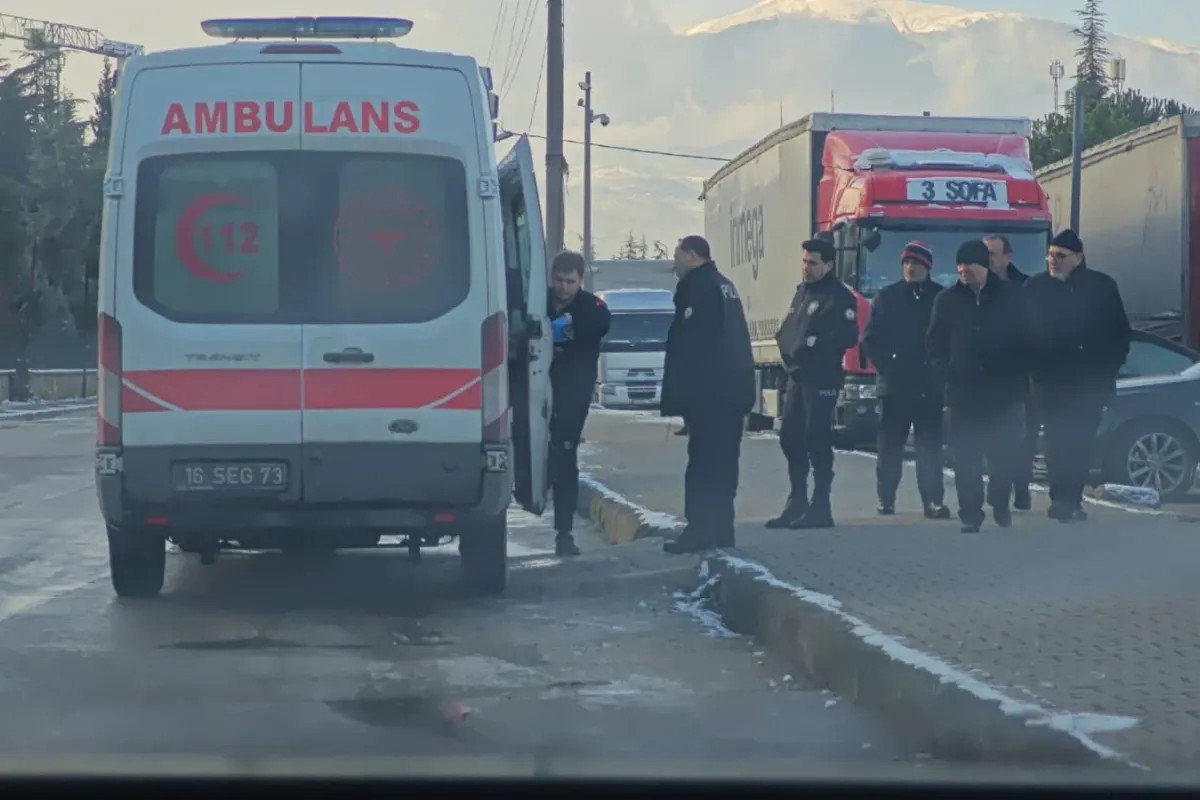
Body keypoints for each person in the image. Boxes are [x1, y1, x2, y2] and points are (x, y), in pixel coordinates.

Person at [1024, 229, 1131, 523]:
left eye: (1060, 256)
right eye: (1050, 255)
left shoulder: (1101, 287)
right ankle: (1060, 499)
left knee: (1081, 441)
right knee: (1056, 442)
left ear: (1078, 258)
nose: (1053, 261)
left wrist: (1107, 368)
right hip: (1049, 382)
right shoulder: (1034, 288)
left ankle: (1072, 499)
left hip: (1089, 383)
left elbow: (1120, 334)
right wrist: (1033, 369)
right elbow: (1021, 333)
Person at [660, 235, 756, 554]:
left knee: (702, 464)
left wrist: (682, 396)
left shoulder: (698, 288)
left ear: (692, 255)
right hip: (732, 391)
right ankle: (722, 529)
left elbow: (692, 346)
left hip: (709, 394)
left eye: (677, 256)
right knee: (725, 463)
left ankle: (699, 530)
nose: (674, 263)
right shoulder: (725, 285)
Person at [926, 240, 1029, 533]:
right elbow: (934, 342)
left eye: (970, 263)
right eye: (960, 264)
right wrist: (944, 371)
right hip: (963, 394)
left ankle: (999, 497)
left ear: (985, 266)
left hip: (1004, 393)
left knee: (1004, 454)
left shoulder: (1012, 296)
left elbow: (1029, 337)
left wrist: (1020, 371)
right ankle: (970, 513)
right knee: (965, 457)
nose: (964, 269)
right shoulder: (947, 300)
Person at [766, 237, 859, 530]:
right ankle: (797, 502)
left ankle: (821, 507)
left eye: (813, 263)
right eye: (804, 261)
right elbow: (790, 329)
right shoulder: (802, 293)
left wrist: (814, 344)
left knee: (816, 439)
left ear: (827, 265)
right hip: (797, 377)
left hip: (821, 378)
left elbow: (848, 336)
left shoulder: (838, 297)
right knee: (790, 438)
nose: (806, 267)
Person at [860, 240, 951, 520]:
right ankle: (886, 497)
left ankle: (933, 500)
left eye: (916, 263)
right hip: (895, 385)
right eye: (907, 263)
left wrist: (940, 372)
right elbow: (870, 339)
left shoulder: (940, 298)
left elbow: (950, 339)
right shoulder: (887, 297)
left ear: (928, 267)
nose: (910, 267)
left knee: (929, 447)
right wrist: (887, 367)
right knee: (890, 446)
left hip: (929, 386)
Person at [547, 251, 611, 556]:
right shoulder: (537, 301)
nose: (563, 288)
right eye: (559, 280)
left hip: (572, 393)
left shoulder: (592, 308)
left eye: (570, 282)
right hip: (535, 388)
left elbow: (595, 328)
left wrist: (564, 329)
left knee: (564, 457)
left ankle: (564, 533)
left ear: (580, 281)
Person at [984, 233, 1034, 511]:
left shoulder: (1024, 287)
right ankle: (998, 486)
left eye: (993, 253)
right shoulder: (975, 289)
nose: (988, 259)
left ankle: (1021, 487)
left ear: (1007, 257)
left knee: (1018, 437)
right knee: (993, 437)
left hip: (1020, 378)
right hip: (986, 377)